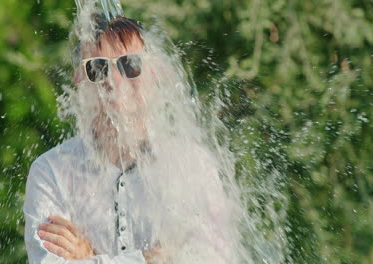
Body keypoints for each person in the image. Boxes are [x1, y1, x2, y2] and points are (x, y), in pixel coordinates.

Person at [23, 14, 234, 264]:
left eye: (130, 64)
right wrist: (147, 260)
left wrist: (92, 258)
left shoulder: (193, 165)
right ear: (79, 81)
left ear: (155, 74)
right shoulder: (51, 172)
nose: (113, 80)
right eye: (97, 68)